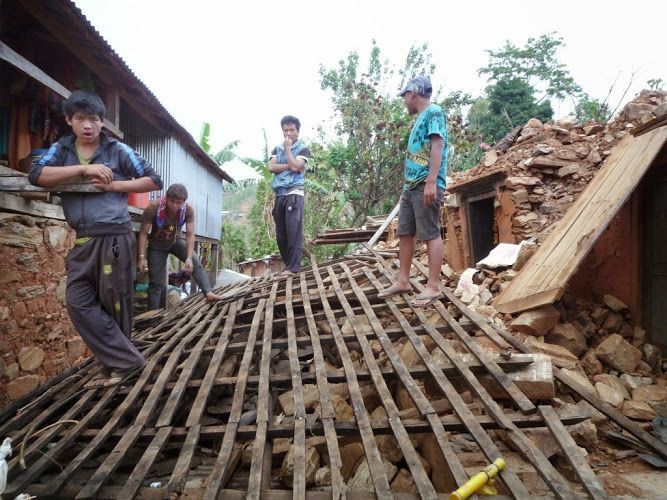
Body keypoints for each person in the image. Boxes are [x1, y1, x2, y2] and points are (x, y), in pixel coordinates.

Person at [29, 90, 163, 388]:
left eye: (93, 119)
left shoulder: (118, 150)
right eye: (80, 119)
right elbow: (35, 175)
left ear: (102, 122)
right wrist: (83, 168)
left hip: (113, 237)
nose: (87, 125)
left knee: (116, 302)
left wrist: (114, 185)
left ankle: (119, 365)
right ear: (68, 120)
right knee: (77, 301)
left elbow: (154, 180)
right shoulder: (61, 149)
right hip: (83, 239)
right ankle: (126, 360)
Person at [378, 76, 448, 307]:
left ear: (412, 94)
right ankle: (403, 280)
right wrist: (405, 189)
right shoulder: (421, 117)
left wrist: (431, 182)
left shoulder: (434, 112)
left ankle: (433, 286)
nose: (404, 102)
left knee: (430, 232)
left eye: (404, 97)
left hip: (425, 184)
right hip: (411, 186)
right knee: (405, 233)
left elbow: (437, 145)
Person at [138, 183, 222, 309]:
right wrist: (140, 257)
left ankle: (208, 293)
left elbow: (190, 234)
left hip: (175, 242)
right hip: (157, 246)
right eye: (172, 201)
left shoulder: (188, 210)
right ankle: (152, 315)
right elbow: (143, 234)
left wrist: (188, 257)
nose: (175, 206)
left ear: (184, 202)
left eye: (179, 203)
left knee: (195, 262)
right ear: (166, 198)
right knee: (156, 283)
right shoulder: (153, 208)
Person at [268, 115, 311, 279]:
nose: (288, 133)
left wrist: (288, 150)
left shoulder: (303, 149)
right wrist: (289, 166)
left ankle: (293, 268)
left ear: (297, 131)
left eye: (292, 130)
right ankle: (288, 266)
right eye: (285, 130)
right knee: (281, 233)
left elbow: (298, 165)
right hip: (279, 194)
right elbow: (271, 167)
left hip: (294, 193)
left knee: (293, 231)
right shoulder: (276, 149)